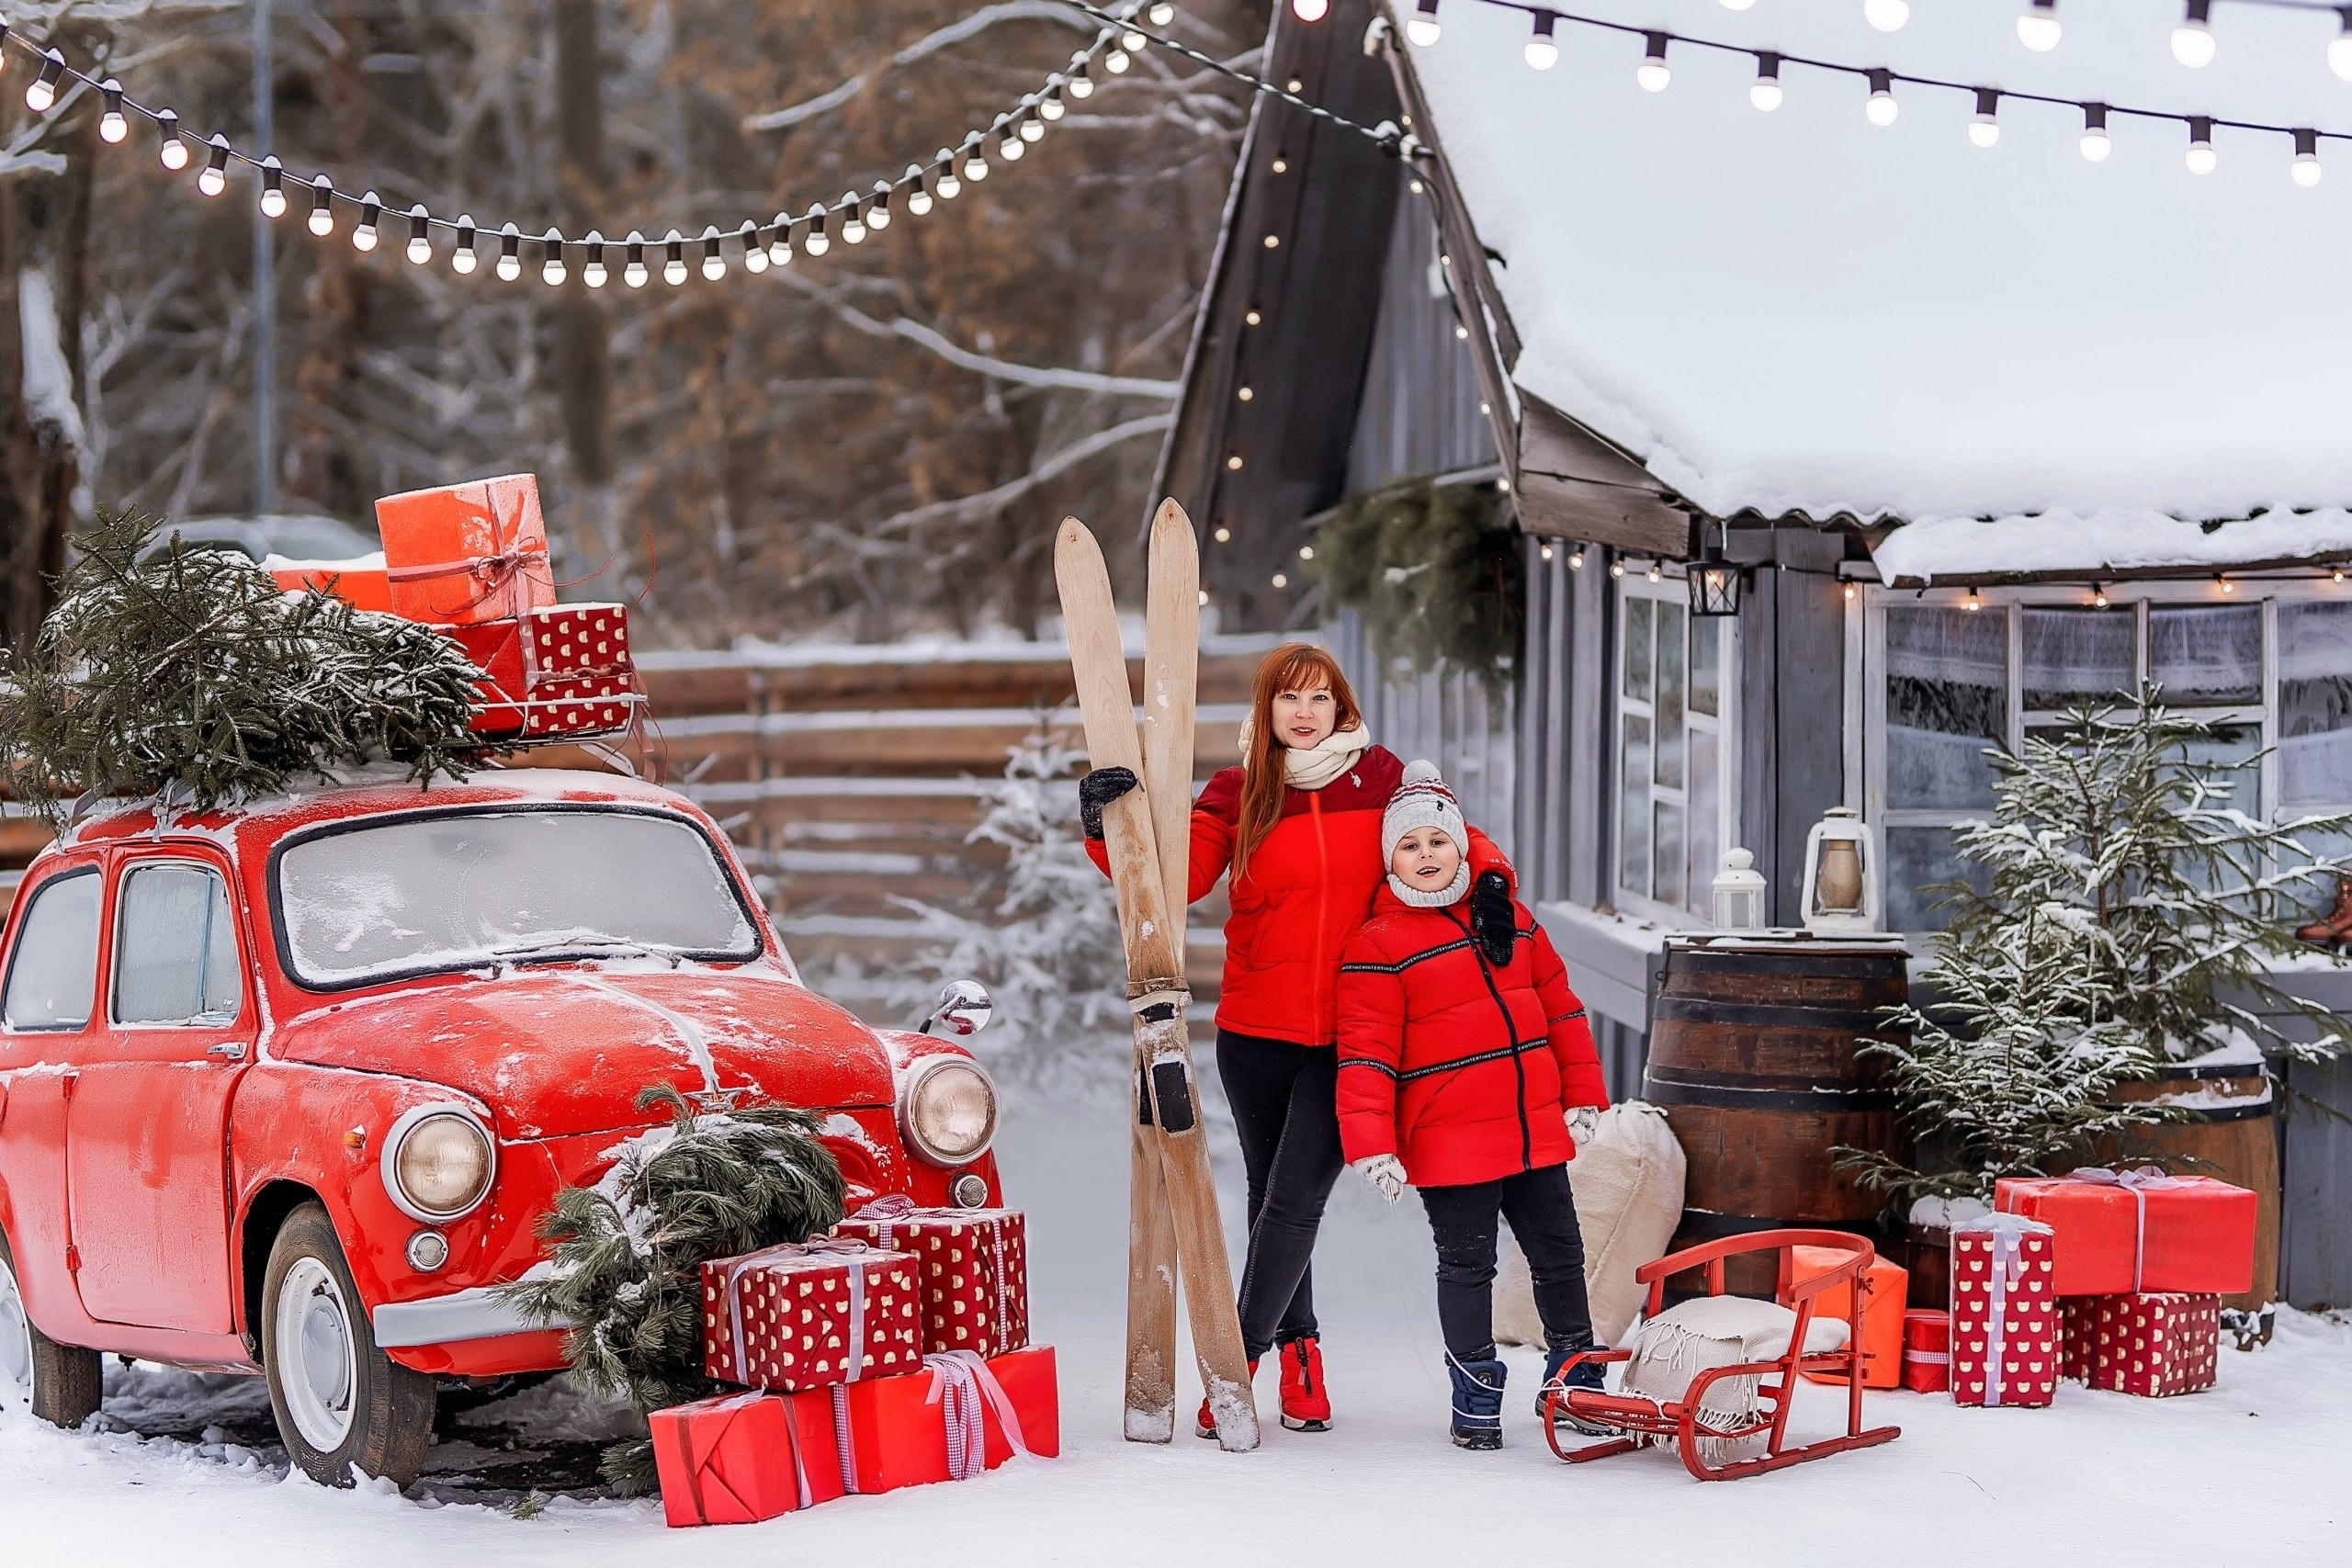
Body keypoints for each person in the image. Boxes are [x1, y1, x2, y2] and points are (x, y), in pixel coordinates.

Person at [1079, 643, 1515, 1437]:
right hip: (1255, 1033)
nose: (1305, 712)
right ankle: (1303, 1353)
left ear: (1342, 707)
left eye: (1320, 697)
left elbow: (1447, 832)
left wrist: (1489, 876)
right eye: (1289, 699)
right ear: (1267, 711)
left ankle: (1236, 1364)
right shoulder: (1240, 792)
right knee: (1270, 1194)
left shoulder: (1380, 779)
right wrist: (1105, 827)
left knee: (1293, 1198)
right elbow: (1173, 878)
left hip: (1356, 1033)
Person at [1334, 761, 1611, 1450]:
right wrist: (1371, 1142)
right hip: (1450, 1144)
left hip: (1532, 1133)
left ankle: (1574, 1379)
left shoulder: (1508, 920)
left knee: (1561, 1255)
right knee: (1468, 1265)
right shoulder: (1378, 944)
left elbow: (1562, 1011)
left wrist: (1581, 1095)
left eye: (1437, 840)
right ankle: (1475, 1390)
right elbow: (1366, 1053)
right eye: (1409, 844)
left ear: (1461, 844)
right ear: (1390, 860)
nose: (1426, 855)